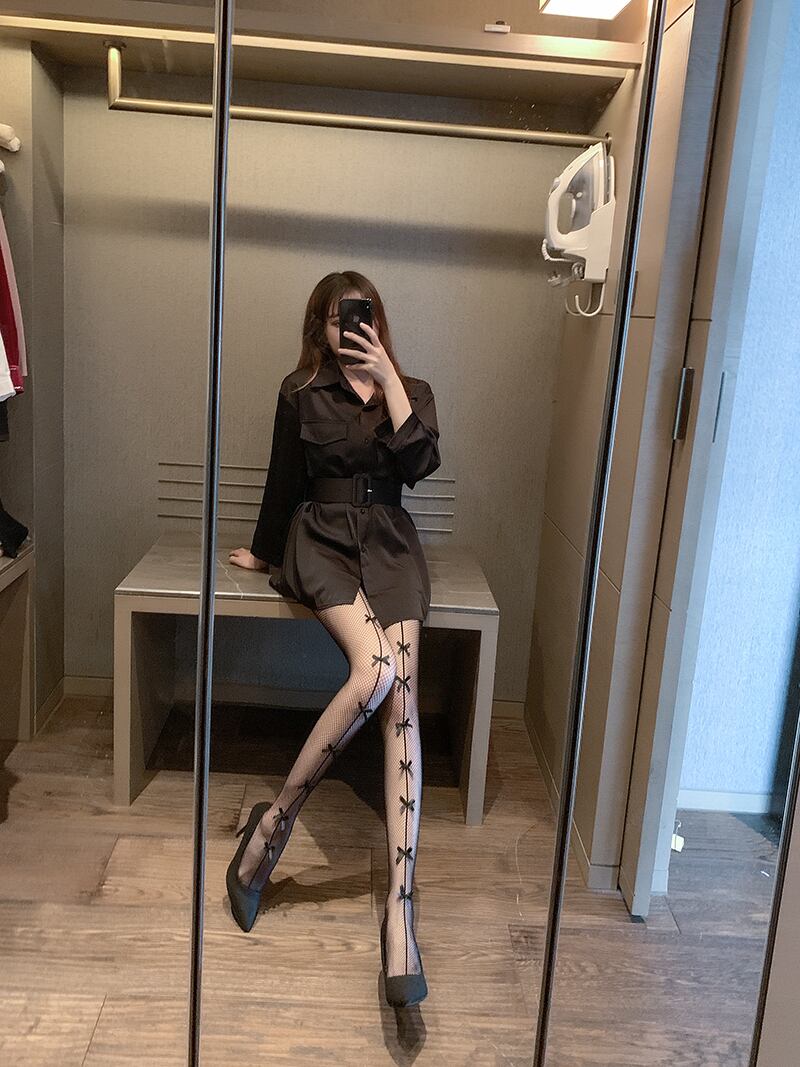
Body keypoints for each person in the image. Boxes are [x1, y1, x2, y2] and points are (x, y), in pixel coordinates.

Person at [226, 270, 441, 1008]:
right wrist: (264, 552)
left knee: (401, 700)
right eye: (332, 319)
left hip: (391, 547)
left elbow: (422, 464)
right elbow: (282, 479)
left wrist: (388, 378)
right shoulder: (300, 391)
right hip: (319, 540)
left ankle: (401, 913)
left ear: (378, 321)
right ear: (318, 327)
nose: (345, 329)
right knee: (376, 669)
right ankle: (275, 826)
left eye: (359, 317)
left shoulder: (413, 389)